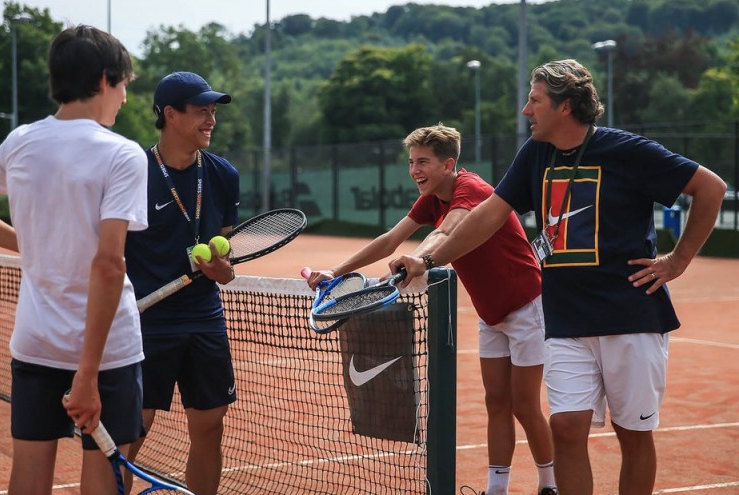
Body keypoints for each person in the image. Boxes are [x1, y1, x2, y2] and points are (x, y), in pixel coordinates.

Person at [390, 60, 727, 495]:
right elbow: (488, 216)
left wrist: (678, 260)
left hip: (630, 316)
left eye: (535, 100)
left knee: (633, 434)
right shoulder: (535, 154)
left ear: (565, 106)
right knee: (566, 428)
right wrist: (429, 259)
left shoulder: (626, 150)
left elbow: (710, 188)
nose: (526, 110)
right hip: (566, 320)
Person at [0, 25, 147, 495]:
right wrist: (88, 375)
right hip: (107, 355)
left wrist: (38, 244)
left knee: (28, 480)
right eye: (123, 86)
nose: (124, 98)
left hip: (36, 344)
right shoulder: (123, 155)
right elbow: (108, 266)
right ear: (104, 80)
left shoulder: (20, 141)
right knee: (102, 485)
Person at [305, 124, 557, 495]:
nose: (414, 170)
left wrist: (420, 259)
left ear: (448, 165)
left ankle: (550, 485)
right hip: (490, 313)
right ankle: (496, 490)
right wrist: (336, 270)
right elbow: (391, 239)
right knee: (495, 402)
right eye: (411, 162)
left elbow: (448, 231)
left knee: (523, 404)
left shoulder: (470, 189)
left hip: (526, 305)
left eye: (423, 162)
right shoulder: (431, 199)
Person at [123, 71, 238, 495]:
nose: (211, 120)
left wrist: (223, 272)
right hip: (145, 320)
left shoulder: (223, 174)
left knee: (210, 424)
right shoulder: (133, 173)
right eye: (201, 111)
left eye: (213, 111)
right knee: (132, 430)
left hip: (204, 317)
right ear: (170, 114)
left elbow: (227, 258)